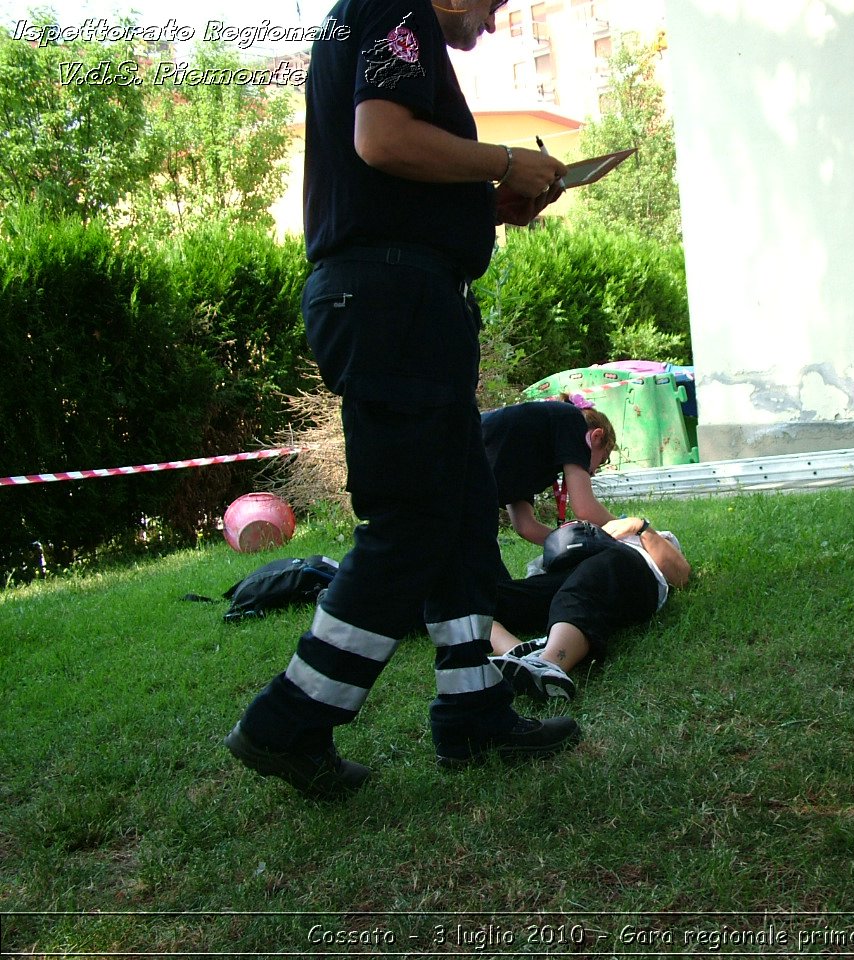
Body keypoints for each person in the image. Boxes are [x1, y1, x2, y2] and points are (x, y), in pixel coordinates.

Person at [223, 0, 581, 798]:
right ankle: (290, 718)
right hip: (392, 302)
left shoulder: (385, 19)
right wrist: (498, 163)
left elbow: (387, 177)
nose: (488, 24)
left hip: (405, 296)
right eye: (490, 5)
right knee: (413, 518)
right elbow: (381, 138)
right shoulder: (394, 7)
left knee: (456, 512)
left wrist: (488, 201)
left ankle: (473, 710)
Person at [488, 516, 691, 700]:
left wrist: (639, 526)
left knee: (583, 586)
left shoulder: (645, 538)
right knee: (492, 596)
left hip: (626, 567)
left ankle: (548, 665)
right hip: (569, 571)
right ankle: (519, 657)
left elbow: (681, 576)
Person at [482, 395, 618, 549]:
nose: (593, 472)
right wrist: (630, 527)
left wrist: (574, 545)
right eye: (602, 460)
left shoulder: (534, 453)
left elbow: (525, 526)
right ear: (596, 437)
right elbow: (584, 508)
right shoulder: (572, 420)